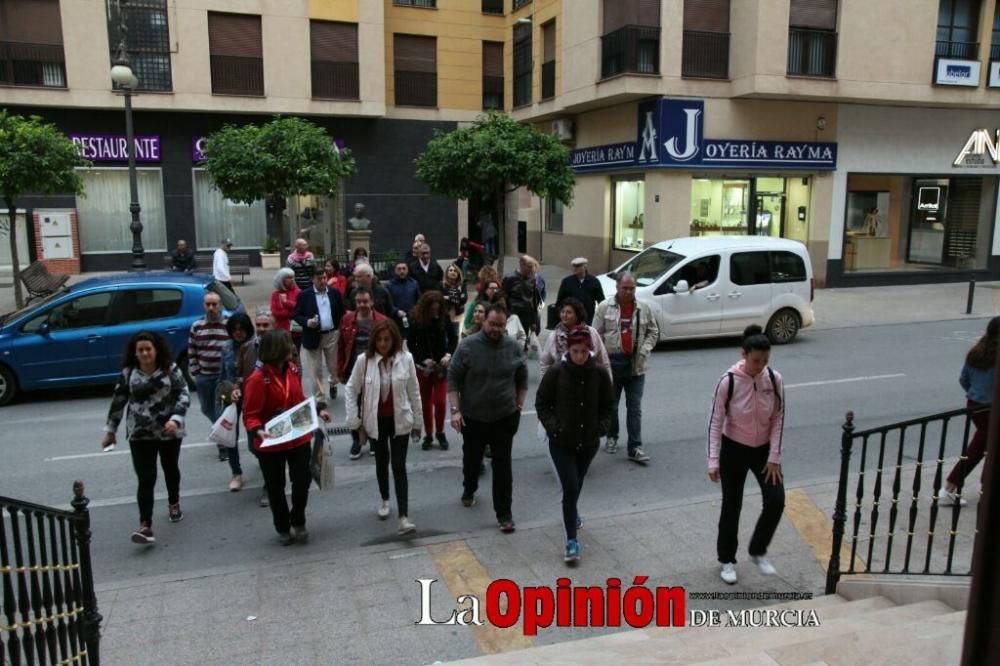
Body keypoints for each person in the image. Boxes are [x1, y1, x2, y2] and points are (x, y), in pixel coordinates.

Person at [707, 325, 786, 585]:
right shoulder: (727, 382)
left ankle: (758, 550)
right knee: (732, 505)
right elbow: (715, 421)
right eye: (755, 360)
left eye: (765, 360)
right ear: (744, 354)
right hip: (734, 448)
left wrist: (774, 456)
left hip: (763, 451)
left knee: (776, 500)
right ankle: (727, 560)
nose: (760, 366)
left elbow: (778, 418)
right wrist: (713, 460)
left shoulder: (774, 379)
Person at [243, 330, 332, 545]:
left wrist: (317, 410)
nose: (293, 349)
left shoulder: (291, 369)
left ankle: (298, 520)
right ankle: (283, 526)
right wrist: (257, 430)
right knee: (276, 487)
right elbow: (250, 415)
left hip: (297, 436)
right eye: (288, 346)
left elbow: (298, 399)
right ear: (277, 350)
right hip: (270, 442)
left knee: (302, 480)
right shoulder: (257, 379)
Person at [535, 327, 614, 564]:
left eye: (583, 351)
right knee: (570, 488)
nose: (579, 356)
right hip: (561, 442)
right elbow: (542, 403)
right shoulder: (557, 372)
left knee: (576, 485)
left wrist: (601, 428)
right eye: (575, 351)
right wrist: (554, 428)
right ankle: (571, 540)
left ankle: (571, 512)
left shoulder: (598, 373)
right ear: (568, 350)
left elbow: (608, 405)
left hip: (588, 442)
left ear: (589, 349)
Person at [102, 331, 190, 545]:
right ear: (135, 352)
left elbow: (183, 393)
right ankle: (145, 525)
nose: (144, 353)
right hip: (140, 434)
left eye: (148, 349)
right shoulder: (128, 373)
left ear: (156, 350)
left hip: (168, 431)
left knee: (170, 468)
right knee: (146, 478)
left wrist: (176, 418)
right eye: (140, 350)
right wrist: (110, 430)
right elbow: (118, 401)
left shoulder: (171, 369)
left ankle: (173, 502)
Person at [448, 304, 528, 534]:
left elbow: (522, 378)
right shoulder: (467, 346)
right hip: (473, 417)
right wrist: (455, 410)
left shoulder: (513, 347)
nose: (496, 329)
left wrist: (519, 405)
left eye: (501, 326)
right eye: (492, 324)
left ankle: (504, 514)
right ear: (484, 322)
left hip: (504, 417)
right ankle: (469, 488)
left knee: (503, 466)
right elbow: (453, 379)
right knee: (472, 460)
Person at [345, 320, 422, 534]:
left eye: (387, 340)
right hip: (375, 422)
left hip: (400, 421)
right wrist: (355, 421)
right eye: (379, 340)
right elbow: (351, 390)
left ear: (394, 340)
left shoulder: (406, 359)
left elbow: (414, 392)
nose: (383, 344)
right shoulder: (364, 361)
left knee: (399, 466)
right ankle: (385, 499)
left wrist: (418, 422)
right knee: (381, 461)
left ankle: (404, 517)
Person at [594, 272, 659, 462]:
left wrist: (645, 349)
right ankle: (612, 437)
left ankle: (635, 446)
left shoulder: (644, 308)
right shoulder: (605, 308)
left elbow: (653, 332)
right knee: (612, 406)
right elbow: (595, 335)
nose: (629, 291)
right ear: (617, 287)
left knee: (634, 408)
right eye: (625, 288)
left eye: (632, 288)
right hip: (612, 365)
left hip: (636, 366)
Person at [941, 316, 999, 506]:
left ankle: (955, 487)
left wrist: (974, 394)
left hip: (974, 405)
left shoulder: (977, 351)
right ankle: (951, 486)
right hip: (990, 410)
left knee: (983, 446)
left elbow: (963, 379)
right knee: (980, 448)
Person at [233, 309, 283, 508]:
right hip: (253, 407)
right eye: (259, 325)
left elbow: (294, 372)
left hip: (276, 407)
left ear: (273, 326)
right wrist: (236, 389)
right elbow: (238, 375)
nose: (261, 329)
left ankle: (270, 486)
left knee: (271, 448)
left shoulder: (283, 346)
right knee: (254, 447)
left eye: (266, 325)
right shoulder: (246, 348)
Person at [338, 286, 388, 458]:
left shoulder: (381, 321)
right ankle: (357, 440)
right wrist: (340, 370)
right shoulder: (346, 319)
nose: (362, 305)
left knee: (373, 406)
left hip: (376, 371)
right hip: (353, 370)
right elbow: (341, 346)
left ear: (372, 302)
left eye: (365, 301)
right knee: (354, 407)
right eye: (359, 301)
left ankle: (374, 439)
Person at [408, 291, 458, 451]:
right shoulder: (416, 320)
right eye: (433, 310)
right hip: (424, 368)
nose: (435, 313)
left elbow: (453, 337)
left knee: (440, 401)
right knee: (426, 402)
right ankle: (429, 434)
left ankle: (440, 432)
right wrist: (422, 359)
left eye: (437, 309)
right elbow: (411, 343)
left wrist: (448, 354)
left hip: (440, 368)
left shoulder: (444, 318)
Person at [294, 267, 346, 405]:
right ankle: (320, 398)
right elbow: (296, 315)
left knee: (334, 367)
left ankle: (333, 382)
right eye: (319, 279)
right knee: (315, 370)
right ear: (313, 280)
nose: (323, 281)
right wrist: (307, 322)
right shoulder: (305, 295)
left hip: (332, 335)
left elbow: (342, 312)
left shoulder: (334, 293)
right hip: (312, 336)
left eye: (324, 278)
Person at [188, 292, 230, 461]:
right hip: (204, 376)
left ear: (220, 305)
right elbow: (192, 350)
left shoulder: (228, 323)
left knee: (221, 411)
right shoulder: (197, 325)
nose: (211, 308)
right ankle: (222, 430)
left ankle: (223, 446)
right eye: (208, 304)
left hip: (223, 377)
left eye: (214, 304)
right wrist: (196, 371)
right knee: (207, 408)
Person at [218, 313, 256, 492]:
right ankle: (236, 472)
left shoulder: (256, 345)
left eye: (242, 329)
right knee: (230, 437)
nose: (238, 333)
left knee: (254, 438)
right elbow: (222, 375)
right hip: (232, 397)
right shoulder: (226, 347)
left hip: (252, 396)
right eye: (235, 330)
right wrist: (225, 394)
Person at [540, 297, 611, 377]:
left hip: (588, 381)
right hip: (562, 383)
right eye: (562, 312)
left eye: (569, 312)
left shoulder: (591, 332)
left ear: (578, 315)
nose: (564, 315)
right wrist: (545, 385)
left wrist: (608, 384)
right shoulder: (554, 336)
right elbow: (545, 364)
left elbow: (604, 361)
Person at [503, 255, 541, 342]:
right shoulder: (509, 278)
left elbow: (534, 300)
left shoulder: (533, 279)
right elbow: (503, 297)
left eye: (534, 267)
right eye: (530, 267)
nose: (533, 270)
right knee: (512, 339)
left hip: (527, 315)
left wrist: (534, 321)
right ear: (522, 265)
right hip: (513, 314)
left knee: (524, 340)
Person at [556, 257, 605, 324]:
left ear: (585, 267)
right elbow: (560, 301)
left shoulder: (594, 281)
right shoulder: (567, 282)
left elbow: (601, 301)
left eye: (578, 266)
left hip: (588, 319)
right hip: (571, 319)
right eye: (574, 266)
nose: (575, 268)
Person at [270, 267, 301, 339]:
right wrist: (289, 313)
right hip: (280, 330)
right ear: (281, 280)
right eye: (289, 278)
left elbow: (299, 308)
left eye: (293, 277)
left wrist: (286, 302)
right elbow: (274, 312)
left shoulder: (298, 292)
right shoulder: (275, 294)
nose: (292, 279)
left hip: (296, 330)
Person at [442, 263, 468, 337]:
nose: (453, 272)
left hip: (458, 314)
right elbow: (440, 298)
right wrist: (457, 297)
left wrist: (448, 297)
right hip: (445, 315)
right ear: (447, 273)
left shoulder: (462, 285)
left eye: (455, 271)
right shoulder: (441, 285)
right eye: (450, 270)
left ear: (458, 273)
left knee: (456, 336)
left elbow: (464, 299)